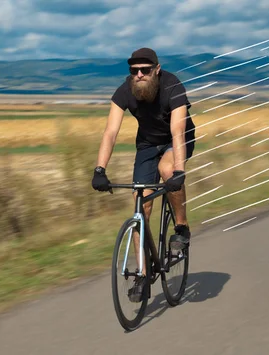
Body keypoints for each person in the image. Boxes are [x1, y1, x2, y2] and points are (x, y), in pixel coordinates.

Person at [91, 47, 196, 302]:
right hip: (147, 144)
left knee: (166, 169)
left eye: (145, 70)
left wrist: (179, 170)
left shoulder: (172, 86)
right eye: (134, 70)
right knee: (141, 207)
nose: (139, 75)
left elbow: (178, 130)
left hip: (177, 141)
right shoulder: (125, 90)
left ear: (156, 70)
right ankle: (142, 274)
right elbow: (110, 132)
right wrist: (99, 169)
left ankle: (181, 228)